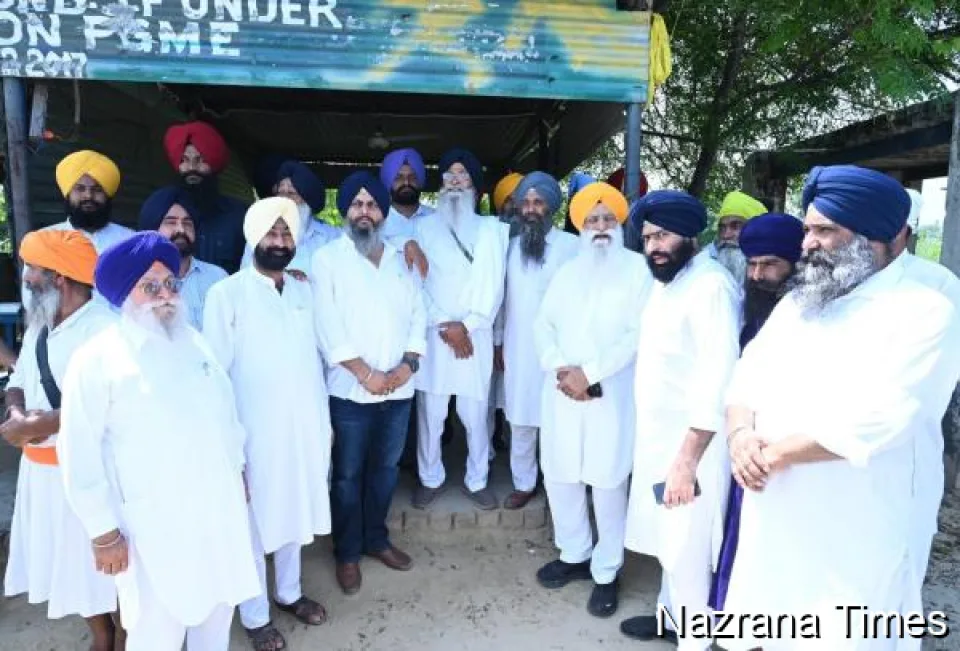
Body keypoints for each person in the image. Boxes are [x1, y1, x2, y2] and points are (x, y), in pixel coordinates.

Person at [723, 165, 960, 650]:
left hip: (861, 514)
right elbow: (747, 373)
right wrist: (740, 434)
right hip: (777, 502)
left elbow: (885, 418)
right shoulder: (801, 301)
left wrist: (771, 456)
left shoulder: (925, 309)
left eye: (825, 231)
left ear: (880, 238)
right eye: (808, 229)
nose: (807, 243)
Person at [58, 232, 259, 651]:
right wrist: (103, 532)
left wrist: (238, 470)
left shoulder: (195, 343)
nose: (165, 295)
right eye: (149, 287)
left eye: (170, 284)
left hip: (217, 512)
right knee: (156, 632)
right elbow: (78, 450)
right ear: (124, 295)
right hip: (153, 526)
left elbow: (226, 414)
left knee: (217, 616)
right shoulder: (96, 359)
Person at [203, 197, 331, 650]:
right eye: (271, 233)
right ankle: (255, 616)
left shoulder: (303, 290)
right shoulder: (226, 294)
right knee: (253, 527)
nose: (279, 242)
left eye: (286, 234)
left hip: (304, 429)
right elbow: (216, 377)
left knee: (294, 511)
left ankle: (289, 593)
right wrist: (228, 448)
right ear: (253, 237)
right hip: (252, 434)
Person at [620, 190, 741, 648]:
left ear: (690, 236)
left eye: (664, 235)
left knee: (688, 550)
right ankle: (669, 619)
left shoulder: (711, 288)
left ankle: (695, 640)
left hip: (692, 449)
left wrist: (687, 460)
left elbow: (717, 379)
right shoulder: (668, 282)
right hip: (659, 442)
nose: (654, 246)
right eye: (648, 237)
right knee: (670, 542)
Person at [533, 181, 651, 618]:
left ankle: (606, 570)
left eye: (607, 219)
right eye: (591, 220)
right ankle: (574, 553)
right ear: (580, 227)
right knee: (560, 475)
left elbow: (638, 335)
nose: (600, 227)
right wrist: (562, 368)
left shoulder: (638, 271)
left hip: (611, 393)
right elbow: (542, 324)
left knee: (607, 482)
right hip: (563, 390)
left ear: (619, 224)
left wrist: (591, 373)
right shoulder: (567, 272)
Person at [3, 230, 118, 651]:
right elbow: (18, 380)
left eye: (33, 269)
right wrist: (17, 415)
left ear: (60, 279)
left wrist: (41, 425)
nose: (25, 277)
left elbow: (115, 405)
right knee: (68, 565)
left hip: (88, 476)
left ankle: (123, 635)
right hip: (41, 477)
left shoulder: (105, 330)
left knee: (109, 569)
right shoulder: (41, 323)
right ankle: (102, 635)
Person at [313, 172, 426, 595]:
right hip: (349, 392)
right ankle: (347, 552)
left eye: (372, 204)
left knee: (385, 470)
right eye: (357, 204)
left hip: (399, 390)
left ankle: (376, 540)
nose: (365, 211)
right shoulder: (327, 259)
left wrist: (407, 367)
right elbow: (327, 325)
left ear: (383, 212)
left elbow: (419, 314)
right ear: (345, 211)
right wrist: (365, 373)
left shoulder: (401, 258)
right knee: (347, 475)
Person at [707, 212, 803, 612]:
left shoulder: (811, 313)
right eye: (752, 264)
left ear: (795, 263)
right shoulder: (749, 308)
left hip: (788, 455)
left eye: (770, 264)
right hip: (742, 442)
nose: (758, 275)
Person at [412, 147, 509, 510]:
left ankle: (477, 478)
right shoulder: (422, 229)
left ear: (475, 186)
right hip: (435, 335)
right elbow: (415, 284)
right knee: (431, 414)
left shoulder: (492, 231)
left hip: (474, 337)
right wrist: (444, 324)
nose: (455, 181)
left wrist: (466, 326)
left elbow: (494, 288)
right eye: (449, 175)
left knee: (474, 414)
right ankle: (430, 477)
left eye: (462, 175)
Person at [495, 172, 579, 509]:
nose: (530, 209)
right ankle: (524, 482)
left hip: (563, 350)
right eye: (525, 202)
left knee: (561, 417)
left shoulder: (573, 247)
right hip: (519, 346)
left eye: (538, 202)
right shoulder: (509, 248)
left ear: (551, 207)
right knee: (521, 416)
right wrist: (498, 342)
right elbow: (502, 300)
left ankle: (563, 480)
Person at [164, 121, 249, 273]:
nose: (192, 168)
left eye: (201, 160)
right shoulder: (162, 211)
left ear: (213, 164)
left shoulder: (238, 214)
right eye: (184, 160)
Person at [138, 186, 227, 331]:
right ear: (152, 228)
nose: (181, 229)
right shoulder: (137, 282)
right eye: (171, 222)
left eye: (187, 223)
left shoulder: (217, 277)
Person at [240, 159, 340, 274]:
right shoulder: (258, 234)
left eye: (291, 193)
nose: (284, 198)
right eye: (280, 192)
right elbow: (245, 276)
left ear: (307, 202)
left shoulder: (331, 236)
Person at [46, 150, 135, 251]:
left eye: (97, 190)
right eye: (80, 189)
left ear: (107, 194)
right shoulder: (45, 241)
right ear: (68, 193)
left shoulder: (130, 241)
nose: (88, 196)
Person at [379, 148, 432, 278]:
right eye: (399, 178)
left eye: (412, 177)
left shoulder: (437, 219)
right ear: (388, 182)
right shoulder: (377, 222)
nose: (406, 183)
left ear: (420, 181)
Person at [696, 190, 766, 280]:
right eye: (722, 228)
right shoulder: (704, 262)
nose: (726, 235)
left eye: (736, 226)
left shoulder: (773, 270)